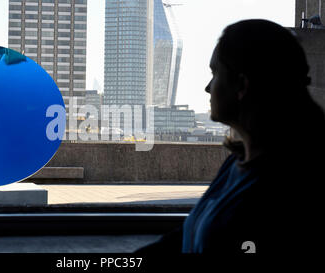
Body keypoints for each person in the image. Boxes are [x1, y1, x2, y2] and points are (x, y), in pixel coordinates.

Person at [136, 19, 325, 256]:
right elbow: (190, 233)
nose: (208, 87)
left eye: (215, 73)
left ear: (241, 85)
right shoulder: (236, 163)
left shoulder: (290, 191)